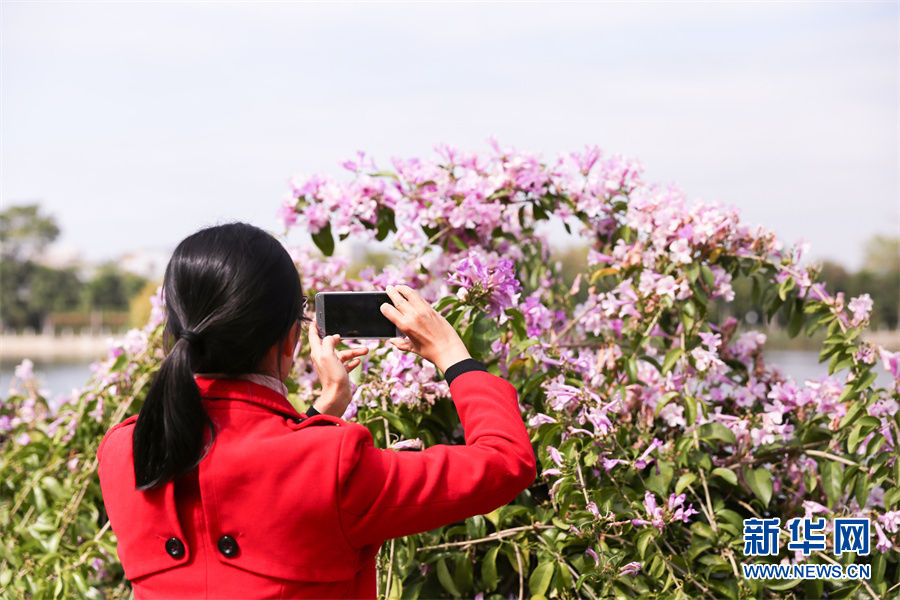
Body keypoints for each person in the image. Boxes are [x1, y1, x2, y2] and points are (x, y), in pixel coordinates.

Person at [96, 222, 536, 599]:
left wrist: (317, 416)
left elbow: (234, 485)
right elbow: (504, 463)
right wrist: (453, 355)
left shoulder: (124, 452)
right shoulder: (334, 464)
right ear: (290, 339)